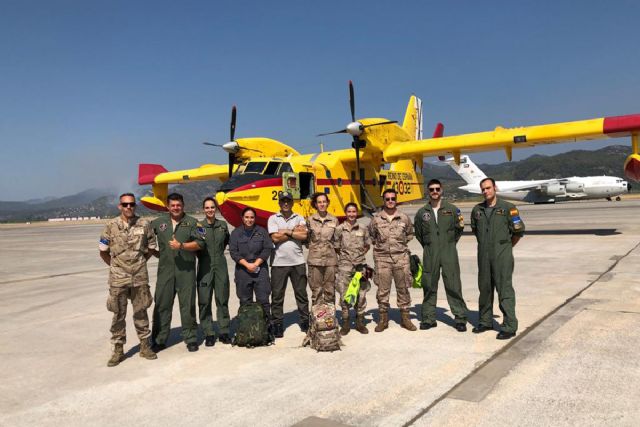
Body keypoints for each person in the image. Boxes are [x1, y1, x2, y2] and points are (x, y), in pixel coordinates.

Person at [99, 193, 158, 367]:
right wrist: (115, 267)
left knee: (141, 311)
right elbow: (103, 251)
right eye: (125, 204)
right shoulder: (110, 226)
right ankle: (118, 350)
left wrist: (139, 264)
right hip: (118, 279)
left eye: (131, 204)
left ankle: (145, 346)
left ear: (135, 206)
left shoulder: (144, 224)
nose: (128, 207)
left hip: (139, 276)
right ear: (120, 206)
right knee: (118, 314)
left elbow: (151, 248)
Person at [470, 177, 525, 340]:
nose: (485, 191)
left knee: (504, 290)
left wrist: (506, 248)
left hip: (502, 256)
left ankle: (509, 325)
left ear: (495, 188)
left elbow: (518, 232)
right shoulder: (477, 210)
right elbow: (475, 230)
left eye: (488, 188)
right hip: (484, 256)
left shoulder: (508, 208)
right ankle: (485, 321)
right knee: (485, 289)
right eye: (483, 189)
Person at [151, 193, 205, 352]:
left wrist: (181, 246)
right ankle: (159, 339)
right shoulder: (158, 223)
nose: (176, 208)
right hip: (165, 271)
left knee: (187, 305)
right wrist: (154, 252)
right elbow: (146, 238)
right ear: (167, 206)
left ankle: (191, 338)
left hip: (186, 272)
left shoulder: (193, 223)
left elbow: (200, 243)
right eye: (173, 205)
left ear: (183, 205)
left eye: (178, 205)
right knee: (162, 305)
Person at [415, 179, 469, 332]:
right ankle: (428, 318)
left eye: (437, 189)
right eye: (431, 189)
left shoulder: (452, 210)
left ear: (442, 190)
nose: (434, 192)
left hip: (448, 251)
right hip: (430, 253)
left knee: (453, 285)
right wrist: (430, 245)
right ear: (428, 191)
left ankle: (460, 318)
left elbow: (459, 229)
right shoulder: (422, 212)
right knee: (429, 285)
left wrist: (449, 243)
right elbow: (419, 233)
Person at [368, 188, 417, 332]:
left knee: (403, 289)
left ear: (396, 200)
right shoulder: (376, 219)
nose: (390, 201)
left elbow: (409, 234)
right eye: (387, 199)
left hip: (401, 258)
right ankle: (383, 319)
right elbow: (372, 237)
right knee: (383, 290)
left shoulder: (404, 218)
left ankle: (405, 318)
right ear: (383, 201)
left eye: (393, 199)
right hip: (382, 259)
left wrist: (398, 246)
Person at [268, 191, 310, 338]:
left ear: (292, 203)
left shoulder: (299, 217)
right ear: (279, 203)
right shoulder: (273, 218)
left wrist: (286, 231)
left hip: (297, 262)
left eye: (288, 201)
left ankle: (305, 320)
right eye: (283, 201)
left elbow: (304, 235)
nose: (286, 203)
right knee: (277, 296)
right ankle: (277, 324)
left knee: (301, 294)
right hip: (279, 263)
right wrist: (293, 231)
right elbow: (274, 238)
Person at [229, 207, 273, 325]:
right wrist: (247, 265)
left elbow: (267, 248)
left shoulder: (262, 231)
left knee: (263, 300)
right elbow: (233, 252)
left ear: (255, 218)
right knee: (245, 301)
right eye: (247, 217)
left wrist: (256, 264)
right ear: (242, 218)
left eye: (252, 217)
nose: (249, 220)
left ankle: (266, 328)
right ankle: (247, 328)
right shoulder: (236, 233)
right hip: (243, 271)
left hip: (260, 270)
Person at [196, 197, 231, 347]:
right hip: (205, 266)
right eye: (207, 208)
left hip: (221, 266)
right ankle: (209, 333)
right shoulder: (198, 226)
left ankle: (224, 331)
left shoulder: (222, 225)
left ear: (215, 209)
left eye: (212, 207)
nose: (210, 210)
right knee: (204, 300)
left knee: (222, 299)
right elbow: (196, 246)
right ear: (203, 209)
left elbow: (225, 243)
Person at [335, 202, 371, 335]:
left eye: (354, 212)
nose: (351, 214)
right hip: (344, 267)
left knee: (361, 294)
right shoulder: (339, 229)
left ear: (357, 213)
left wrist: (358, 256)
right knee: (344, 295)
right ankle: (345, 323)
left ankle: (360, 322)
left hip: (361, 266)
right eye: (349, 212)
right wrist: (347, 258)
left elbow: (367, 245)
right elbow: (337, 247)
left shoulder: (363, 228)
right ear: (345, 213)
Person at [306, 192, 339, 306]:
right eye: (319, 202)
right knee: (317, 291)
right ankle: (317, 320)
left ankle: (329, 320)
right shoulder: (309, 220)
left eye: (324, 202)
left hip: (330, 260)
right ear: (315, 204)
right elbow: (306, 240)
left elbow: (337, 240)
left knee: (330, 290)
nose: (322, 204)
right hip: (315, 261)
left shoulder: (334, 220)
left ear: (328, 203)